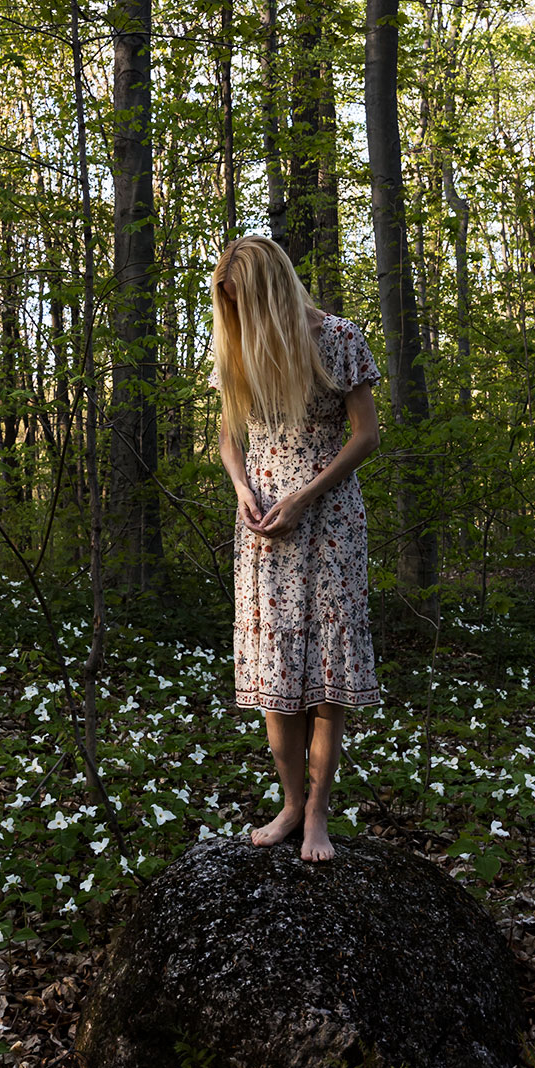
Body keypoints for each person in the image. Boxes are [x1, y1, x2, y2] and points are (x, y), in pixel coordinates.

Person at [209, 235, 382, 863]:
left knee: (326, 678)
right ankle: (287, 804)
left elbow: (366, 437)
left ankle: (316, 813)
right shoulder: (239, 346)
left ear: (272, 287)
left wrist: (305, 497)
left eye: (244, 299)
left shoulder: (336, 338)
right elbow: (229, 437)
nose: (238, 313)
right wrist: (240, 488)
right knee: (277, 677)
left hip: (329, 521)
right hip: (263, 532)